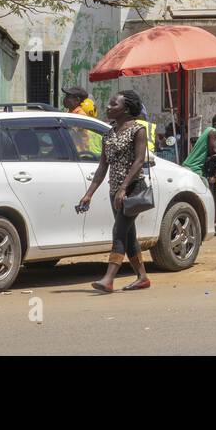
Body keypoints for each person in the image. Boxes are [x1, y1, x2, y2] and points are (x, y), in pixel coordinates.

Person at [78, 91, 152, 292]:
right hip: (115, 191)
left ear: (126, 109)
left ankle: (108, 279)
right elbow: (103, 166)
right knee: (128, 236)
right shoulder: (109, 133)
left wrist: (123, 188)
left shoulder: (138, 130)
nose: (108, 107)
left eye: (113, 104)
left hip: (132, 190)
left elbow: (138, 162)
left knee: (118, 231)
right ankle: (143, 277)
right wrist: (89, 194)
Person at [61, 86, 101, 155]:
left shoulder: (79, 115)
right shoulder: (70, 113)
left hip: (80, 155)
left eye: (68, 97)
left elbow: (69, 133)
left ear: (77, 100)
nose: (65, 99)